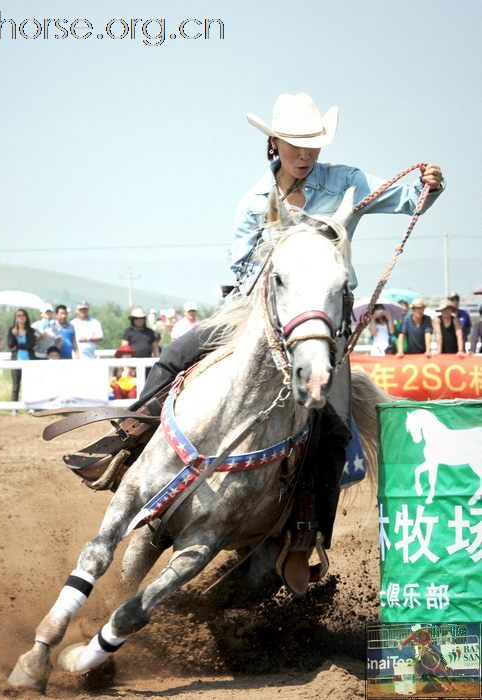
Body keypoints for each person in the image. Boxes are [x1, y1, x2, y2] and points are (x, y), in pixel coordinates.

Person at [99, 92, 444, 597]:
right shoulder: (253, 203)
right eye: (297, 145)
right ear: (274, 143)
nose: (306, 155)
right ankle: (129, 445)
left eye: (314, 146)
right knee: (174, 356)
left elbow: (411, 201)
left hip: (323, 330)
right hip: (253, 316)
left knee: (330, 427)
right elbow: (240, 272)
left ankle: (304, 536)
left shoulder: (349, 183)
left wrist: (431, 186)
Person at [7, 308, 37, 401]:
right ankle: (14, 408)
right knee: (16, 384)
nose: (21, 317)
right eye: (19, 316)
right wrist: (13, 336)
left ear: (26, 317)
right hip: (17, 359)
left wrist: (19, 345)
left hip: (29, 360)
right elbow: (10, 345)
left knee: (30, 384)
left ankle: (31, 405)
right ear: (15, 318)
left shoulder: (31, 331)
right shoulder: (12, 330)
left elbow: (31, 345)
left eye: (23, 315)